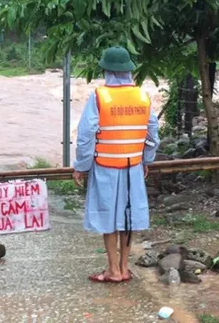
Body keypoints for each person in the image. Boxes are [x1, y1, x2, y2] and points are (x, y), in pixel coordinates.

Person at [72, 46, 160, 283]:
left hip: (106, 168)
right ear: (129, 70)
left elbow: (85, 135)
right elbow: (153, 134)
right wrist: (146, 159)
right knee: (128, 218)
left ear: (106, 70)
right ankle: (124, 267)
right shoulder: (142, 96)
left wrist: (81, 166)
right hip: (133, 168)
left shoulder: (100, 96)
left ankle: (112, 270)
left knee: (108, 218)